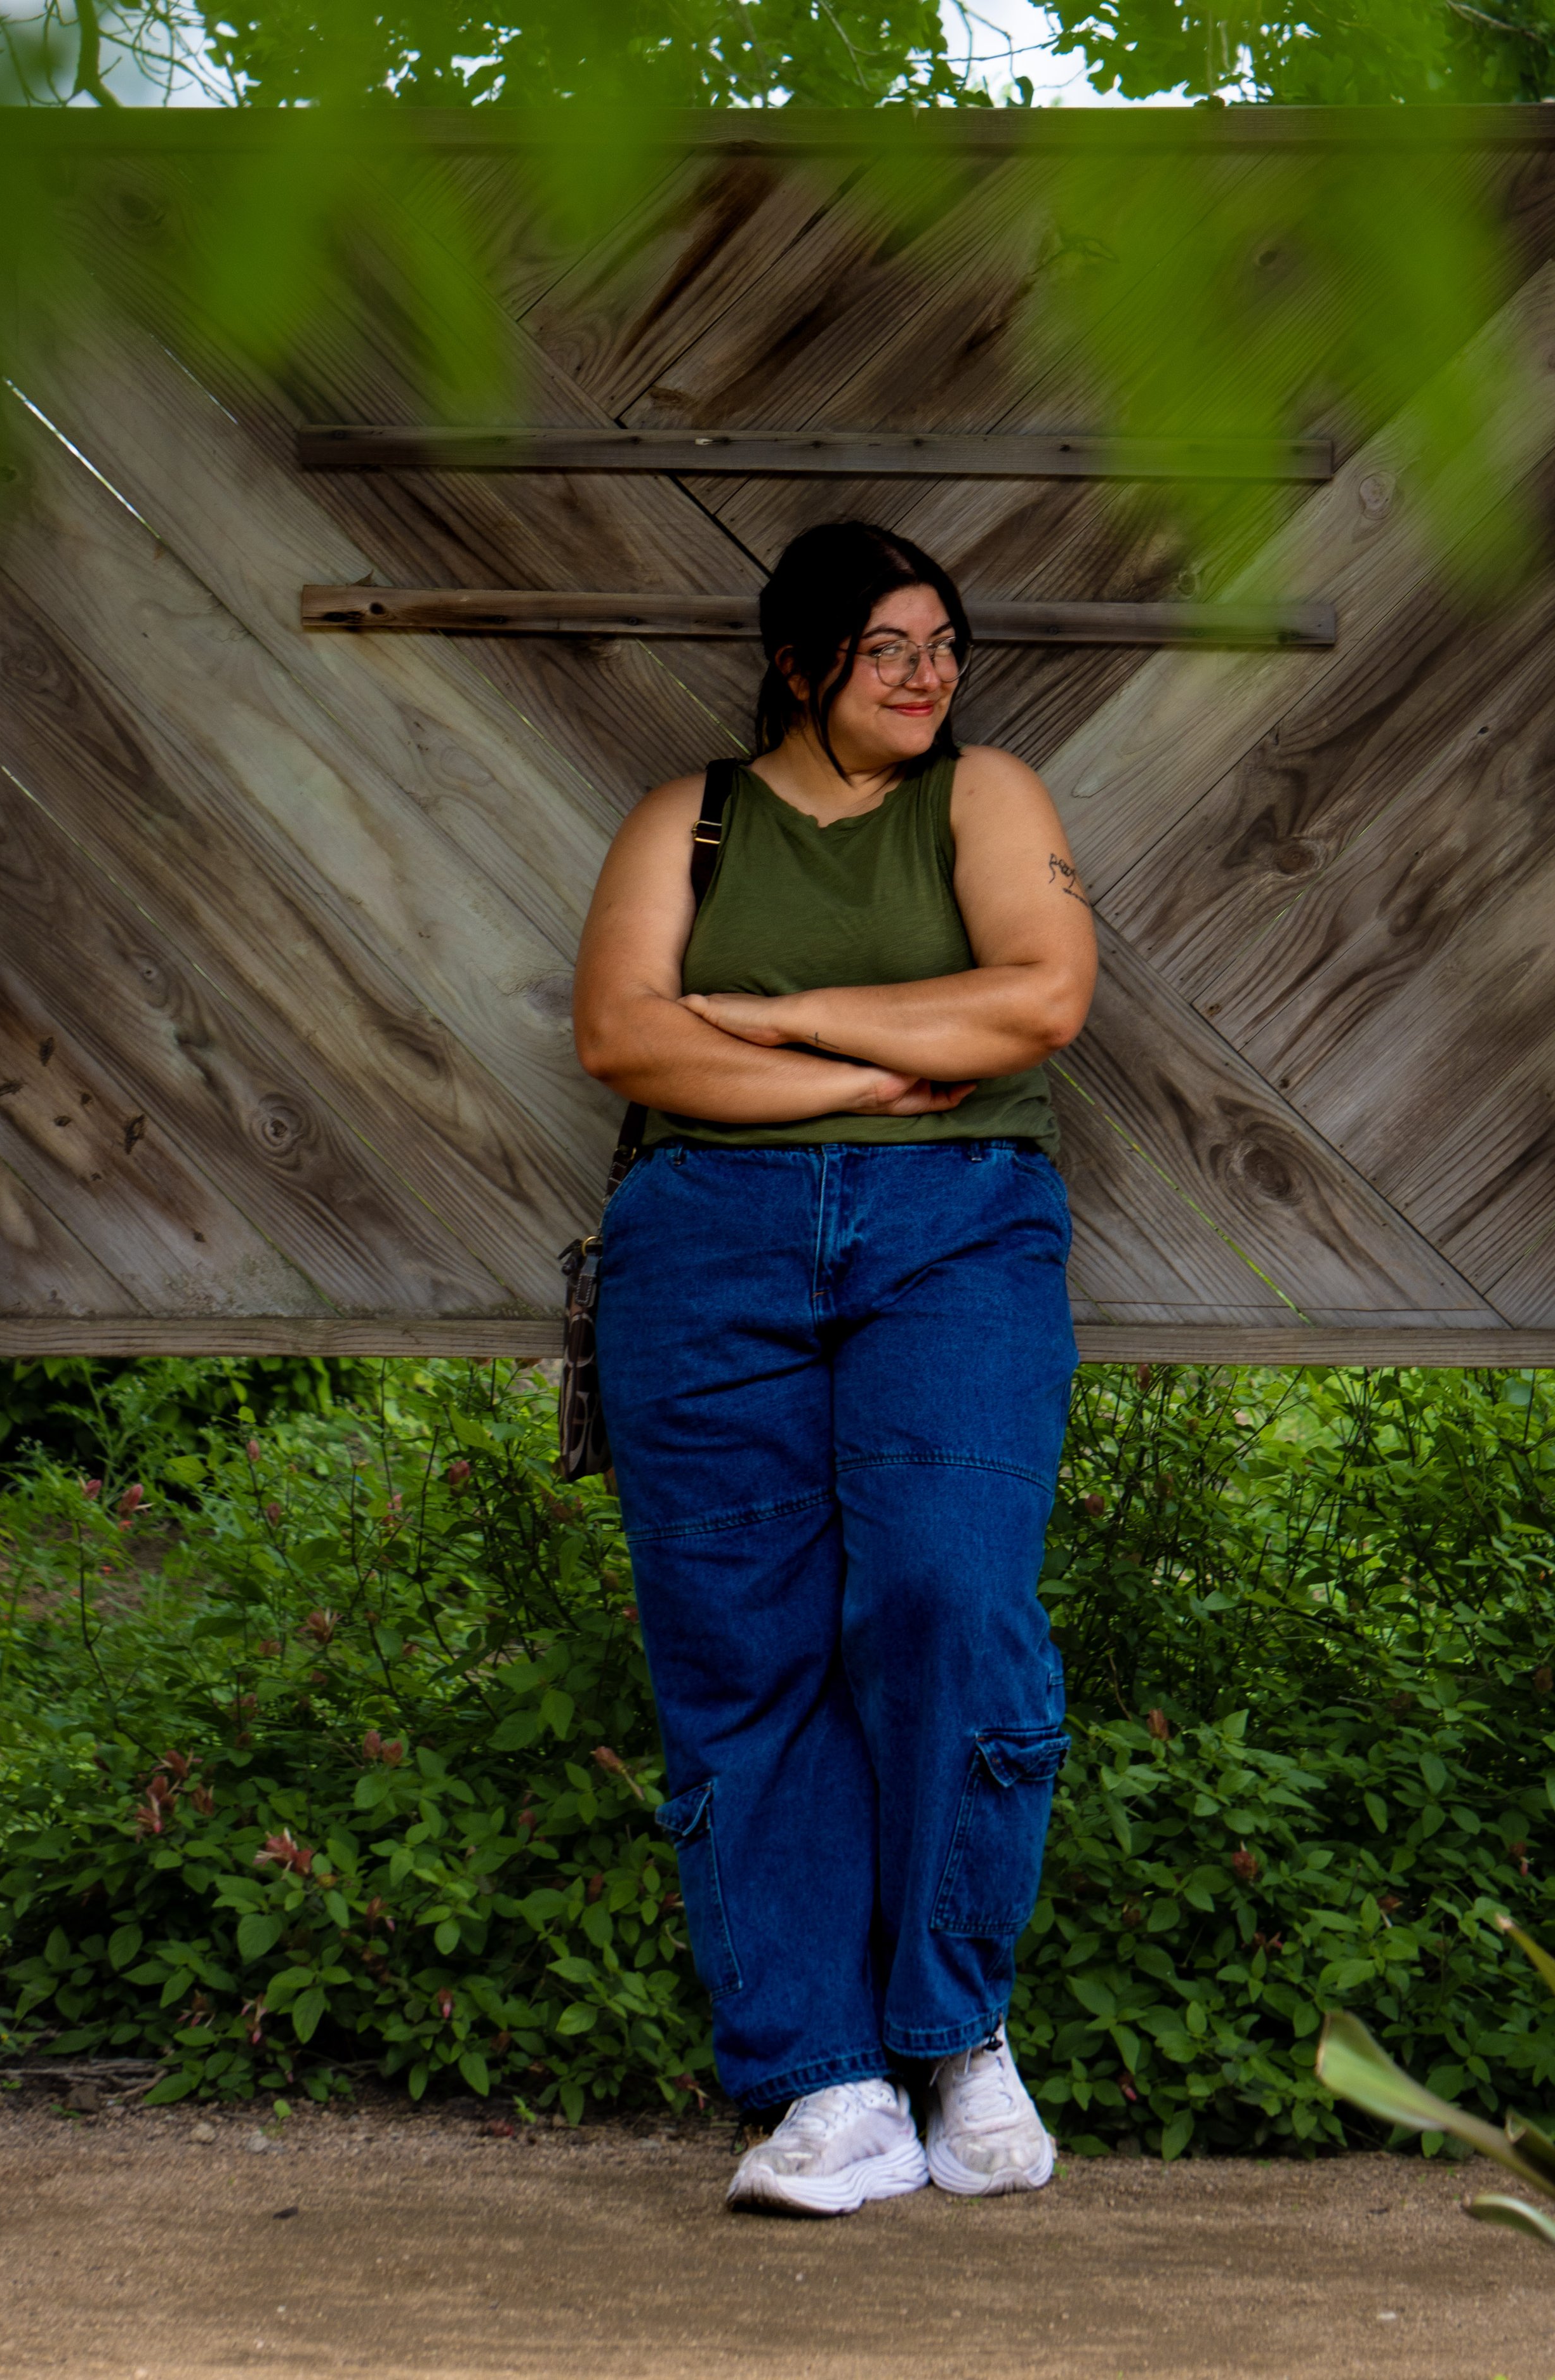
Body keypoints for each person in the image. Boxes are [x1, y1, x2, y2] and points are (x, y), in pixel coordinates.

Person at [572, 520, 1098, 2216]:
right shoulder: (688, 817)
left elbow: (1039, 1002)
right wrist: (876, 1066)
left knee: (946, 1599)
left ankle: (955, 2031)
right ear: (799, 664)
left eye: (941, 642)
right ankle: (823, 2085)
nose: (926, 674)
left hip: (957, 1228)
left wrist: (775, 1023)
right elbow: (620, 1039)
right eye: (886, 648)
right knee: (744, 1651)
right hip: (700, 1241)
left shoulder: (986, 799)